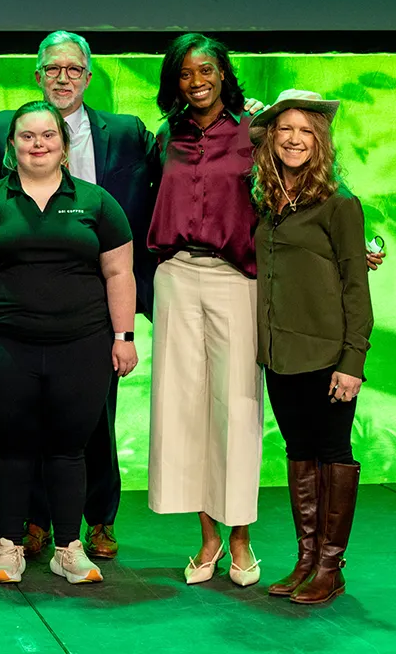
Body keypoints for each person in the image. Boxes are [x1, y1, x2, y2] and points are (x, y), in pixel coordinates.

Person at [0, 100, 138, 585]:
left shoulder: (96, 202)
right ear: (12, 145)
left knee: (69, 449)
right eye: (27, 136)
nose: (38, 144)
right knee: (12, 449)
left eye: (48, 135)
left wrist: (124, 336)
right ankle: (8, 547)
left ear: (64, 144)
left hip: (83, 346)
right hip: (3, 347)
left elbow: (119, 272)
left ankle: (68, 548)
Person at [0, 31, 160, 562]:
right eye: (52, 68)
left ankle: (100, 518)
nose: (63, 77)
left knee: (95, 416)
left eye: (73, 69)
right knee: (31, 418)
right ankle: (36, 522)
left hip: (102, 293)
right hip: (27, 297)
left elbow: (179, 169)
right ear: (37, 76)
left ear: (88, 76)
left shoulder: (127, 133)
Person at [145, 33, 268, 586]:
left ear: (224, 74)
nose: (196, 82)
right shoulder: (164, 137)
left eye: (206, 71)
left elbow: (299, 192)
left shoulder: (255, 132)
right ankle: (208, 538)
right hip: (175, 275)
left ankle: (241, 537)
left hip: (235, 278)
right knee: (183, 406)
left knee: (236, 406)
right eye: (185, 74)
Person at [249, 89, 372, 605]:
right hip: (280, 354)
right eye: (285, 129)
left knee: (332, 453)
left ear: (320, 141)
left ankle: (330, 566)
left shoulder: (340, 204)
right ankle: (305, 558)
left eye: (306, 131)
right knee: (297, 451)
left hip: (327, 357)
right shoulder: (267, 200)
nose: (294, 139)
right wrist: (258, 119)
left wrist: (353, 362)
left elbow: (354, 285)